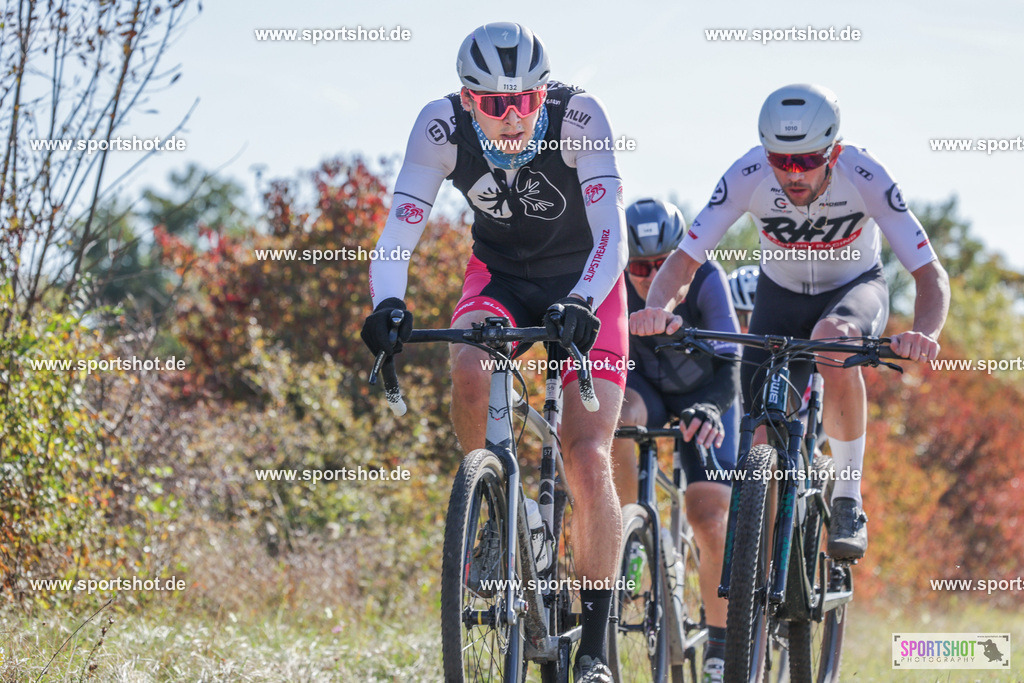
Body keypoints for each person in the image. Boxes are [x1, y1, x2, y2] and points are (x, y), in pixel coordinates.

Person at [360, 22, 628, 680]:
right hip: (500, 278)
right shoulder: (438, 127)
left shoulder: (581, 116)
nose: (511, 119)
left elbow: (612, 236)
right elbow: (398, 233)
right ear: (465, 98)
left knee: (587, 453)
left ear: (545, 94)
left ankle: (593, 645)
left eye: (525, 101)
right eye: (493, 104)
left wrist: (584, 302)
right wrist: (387, 305)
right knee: (470, 370)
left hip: (587, 280)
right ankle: (492, 507)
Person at [630, 84, 950, 562]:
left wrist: (925, 332)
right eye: (781, 160)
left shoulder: (866, 174)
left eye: (807, 160)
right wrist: (660, 308)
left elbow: (929, 273)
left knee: (831, 344)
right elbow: (684, 261)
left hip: (853, 289)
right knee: (761, 437)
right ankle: (759, 584)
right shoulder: (747, 174)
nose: (792, 174)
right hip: (779, 297)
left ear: (834, 151)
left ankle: (847, 498)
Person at [612, 198, 740, 682]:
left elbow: (731, 366)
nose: (647, 276)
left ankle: (720, 642)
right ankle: (628, 537)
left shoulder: (708, 280)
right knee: (619, 419)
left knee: (708, 517)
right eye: (638, 266)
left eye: (660, 264)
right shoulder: (616, 283)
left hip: (702, 395)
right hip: (644, 387)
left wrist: (710, 406)